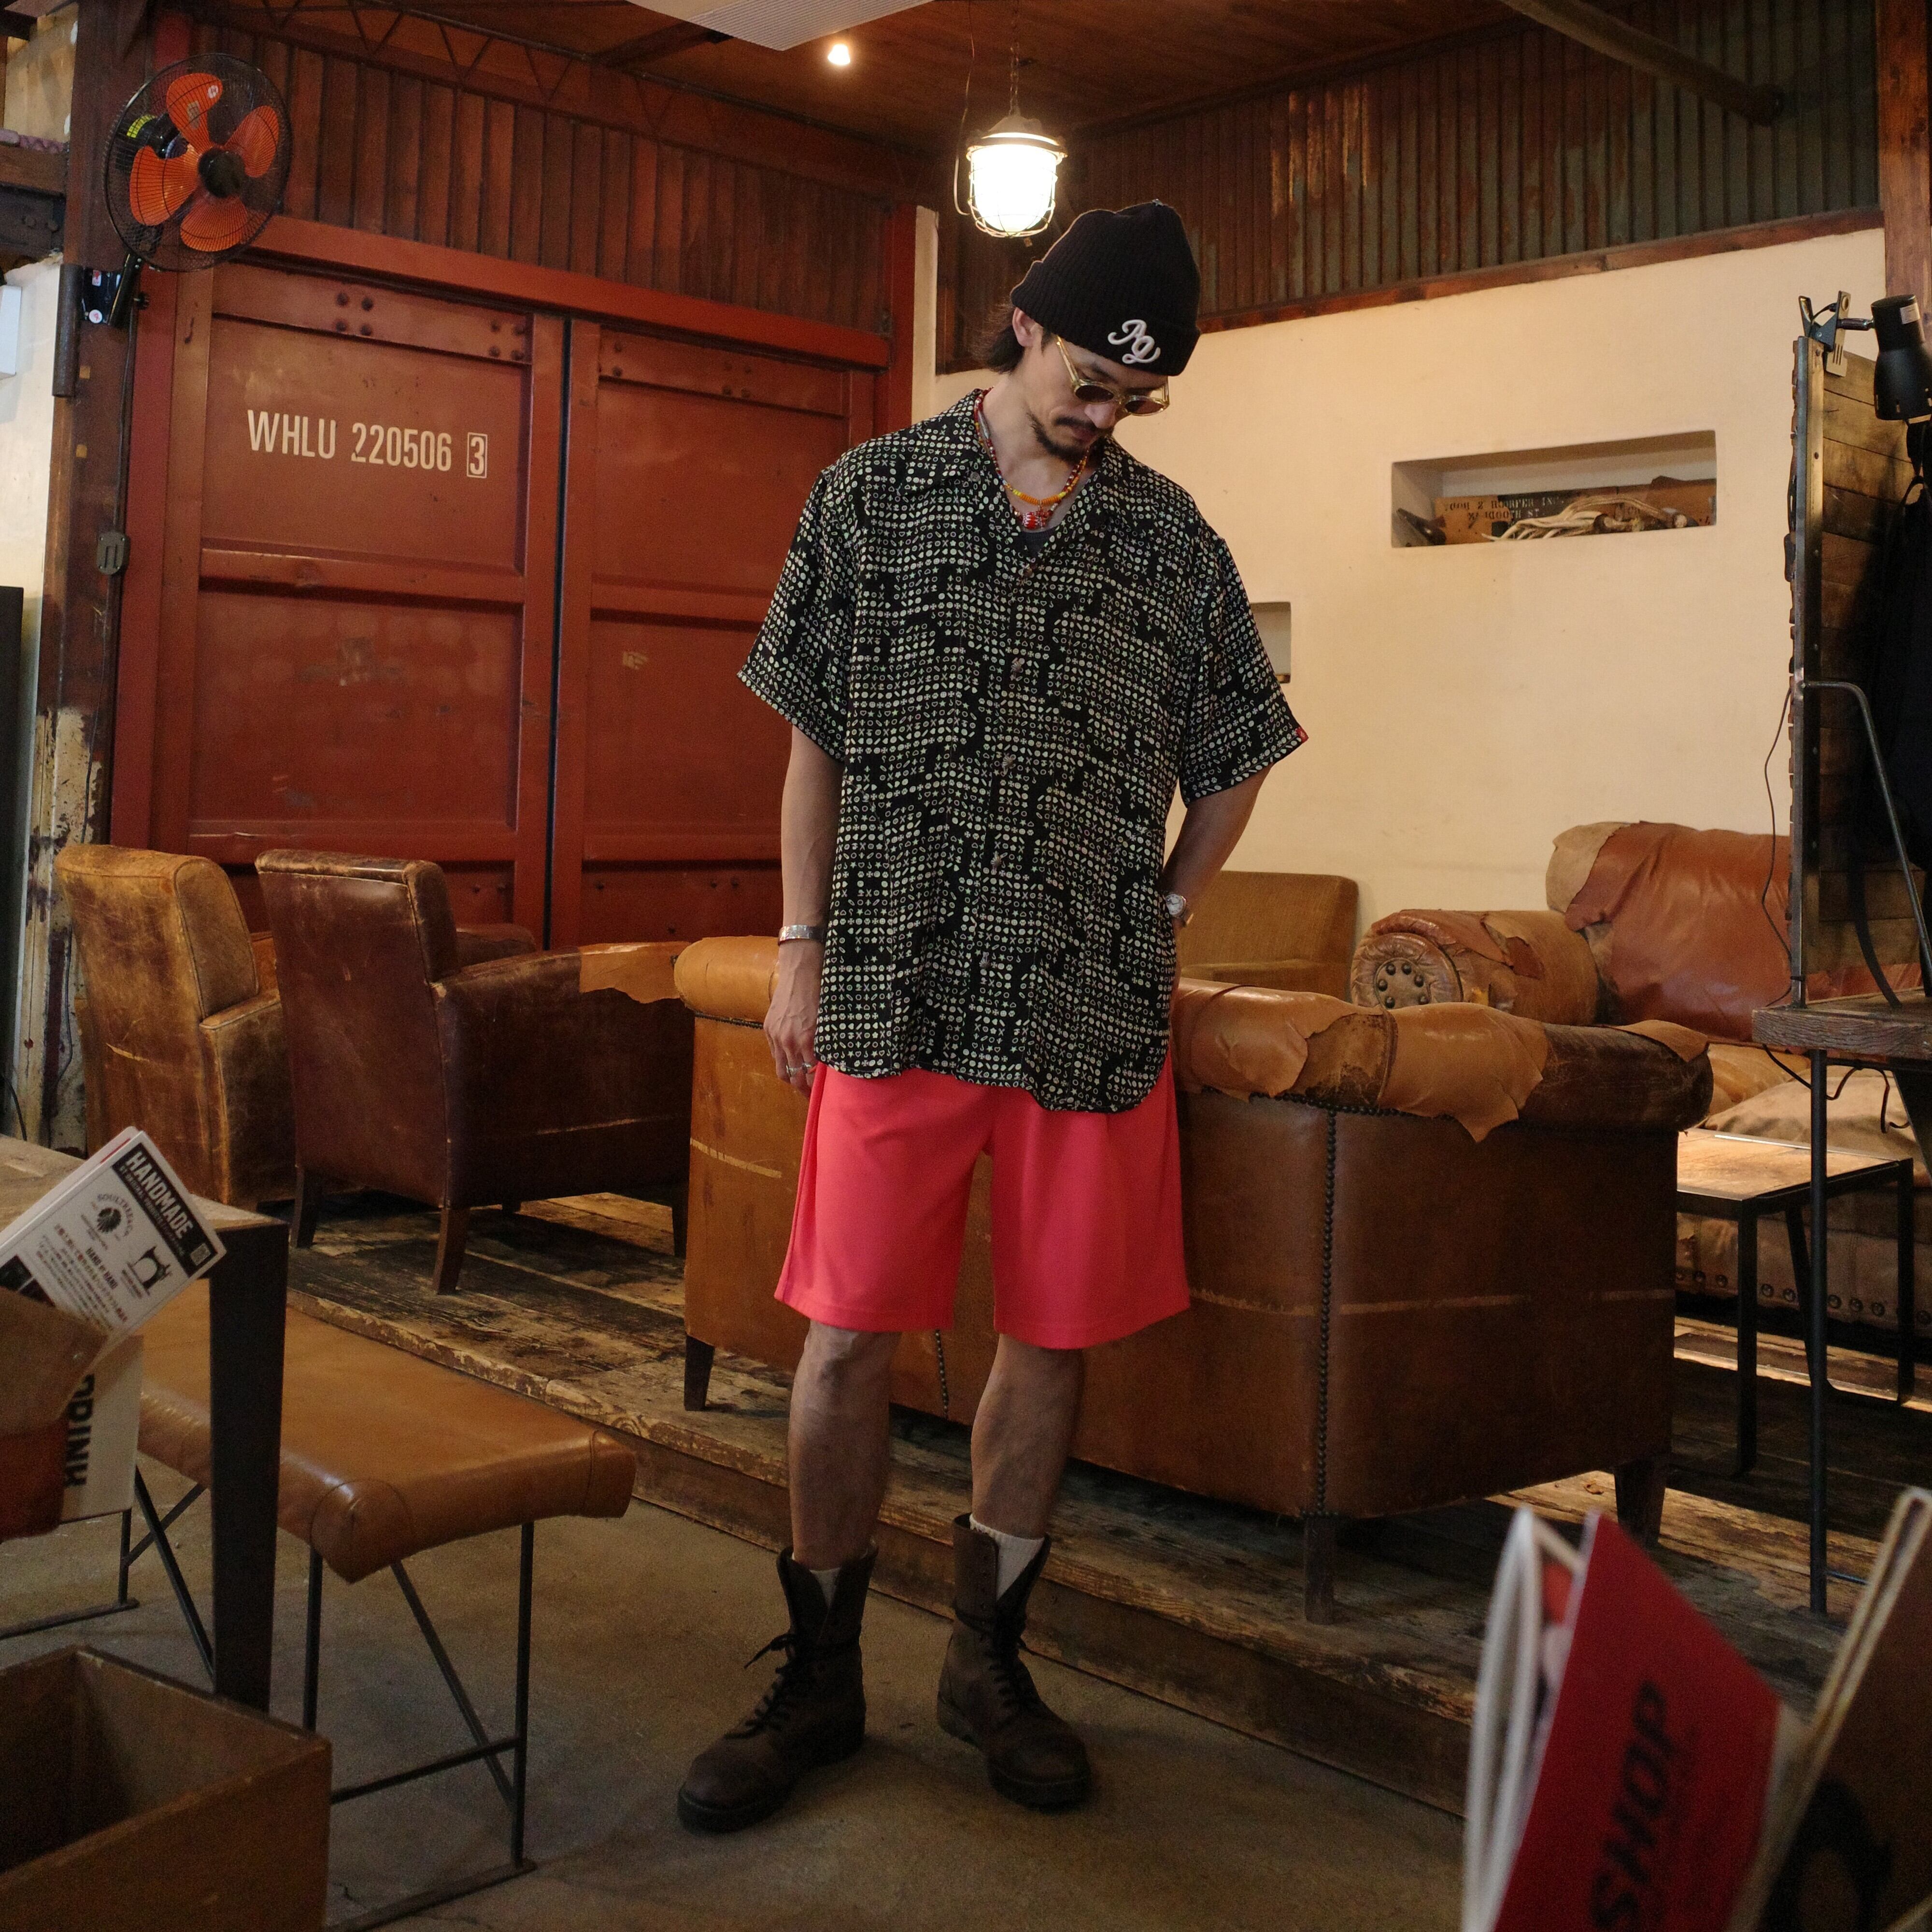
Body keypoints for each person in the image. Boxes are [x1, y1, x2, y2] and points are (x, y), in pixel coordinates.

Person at [677, 201, 1305, 1833]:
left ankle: (989, 1663)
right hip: (893, 978)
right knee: (843, 1337)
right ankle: (821, 1674)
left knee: (1053, 1338)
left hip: (1087, 1002)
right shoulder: (870, 496)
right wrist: (801, 944)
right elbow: (811, 736)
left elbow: (1241, 748)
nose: (1108, 416)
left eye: (1137, 399)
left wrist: (1165, 910)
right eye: (1093, 380)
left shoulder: (1170, 541)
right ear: (1024, 325)